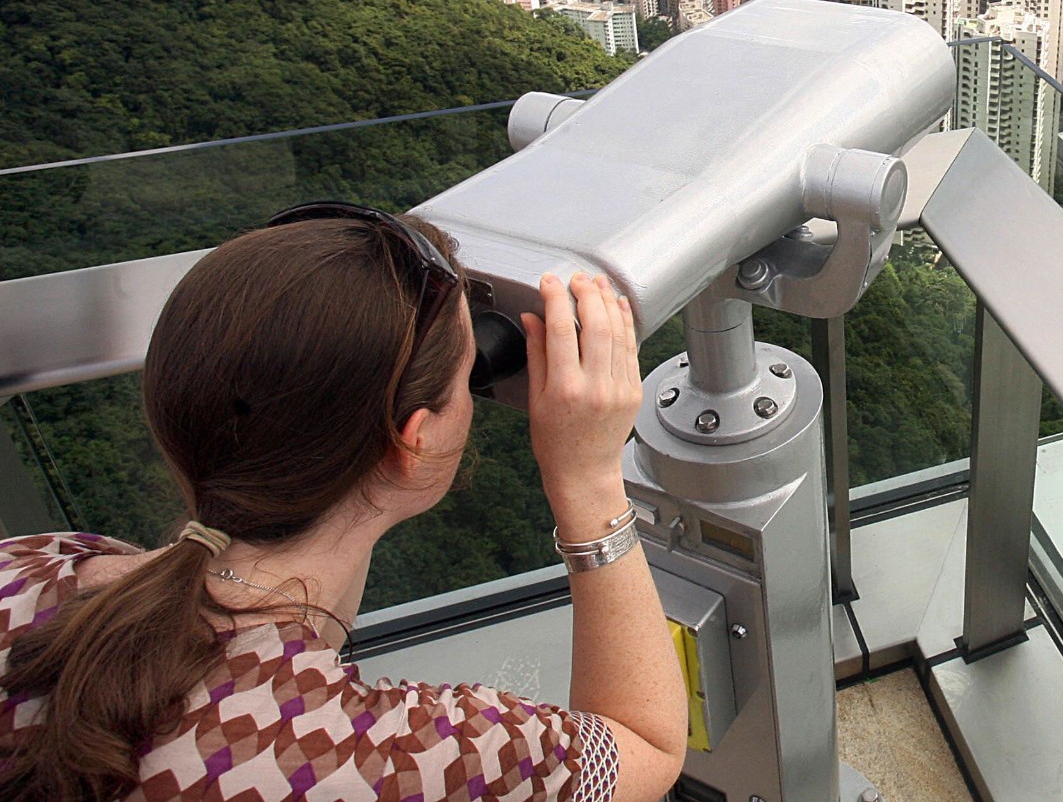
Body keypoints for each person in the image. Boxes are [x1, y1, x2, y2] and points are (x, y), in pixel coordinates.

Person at [0, 204, 687, 801]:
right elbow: (645, 746)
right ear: (414, 442)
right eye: (466, 372)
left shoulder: (31, 564)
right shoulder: (377, 758)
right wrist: (587, 479)